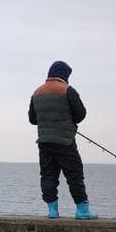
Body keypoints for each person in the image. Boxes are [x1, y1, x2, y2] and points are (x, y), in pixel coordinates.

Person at [28, 60, 97, 220]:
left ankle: (52, 211)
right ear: (64, 75)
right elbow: (81, 114)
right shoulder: (67, 90)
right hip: (65, 141)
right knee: (74, 175)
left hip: (44, 142)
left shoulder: (36, 93)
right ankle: (82, 210)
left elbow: (32, 119)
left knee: (48, 175)